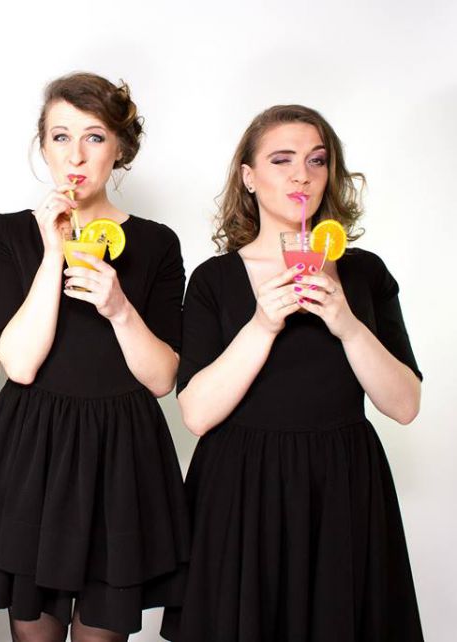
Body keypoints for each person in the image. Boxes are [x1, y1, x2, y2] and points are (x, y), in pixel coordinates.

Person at [160, 105, 424, 641]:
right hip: (240, 488)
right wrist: (262, 324)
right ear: (249, 177)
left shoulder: (364, 273)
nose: (302, 175)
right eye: (281, 160)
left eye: (316, 160)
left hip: (342, 485)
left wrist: (347, 324)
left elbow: (404, 405)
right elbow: (196, 414)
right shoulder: (215, 280)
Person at [0, 72, 189, 641]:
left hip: (123, 455)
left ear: (120, 149)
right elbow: (19, 365)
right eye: (61, 137)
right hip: (32, 447)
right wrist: (52, 251)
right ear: (43, 147)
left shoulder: (157, 243)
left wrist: (119, 308)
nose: (76, 155)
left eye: (94, 137)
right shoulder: (7, 235)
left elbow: (162, 378)